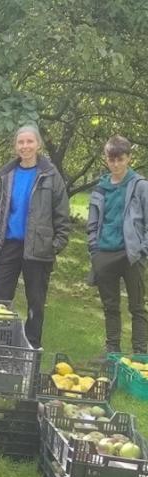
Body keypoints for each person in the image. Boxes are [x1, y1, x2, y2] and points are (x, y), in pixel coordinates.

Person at [0, 124, 70, 348]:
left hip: (38, 247)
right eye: (21, 142)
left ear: (38, 144)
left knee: (36, 301)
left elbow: (62, 214)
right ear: (15, 146)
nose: (25, 146)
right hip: (9, 244)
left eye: (29, 141)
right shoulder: (6, 175)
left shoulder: (51, 175)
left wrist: (56, 244)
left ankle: (32, 346)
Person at [87, 136, 148, 354]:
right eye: (111, 160)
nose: (116, 164)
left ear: (129, 158)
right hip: (104, 254)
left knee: (137, 307)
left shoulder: (140, 186)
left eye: (120, 159)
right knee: (110, 307)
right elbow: (92, 223)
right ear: (106, 159)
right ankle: (112, 352)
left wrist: (143, 249)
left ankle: (140, 354)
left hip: (132, 254)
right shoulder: (100, 188)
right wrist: (94, 250)